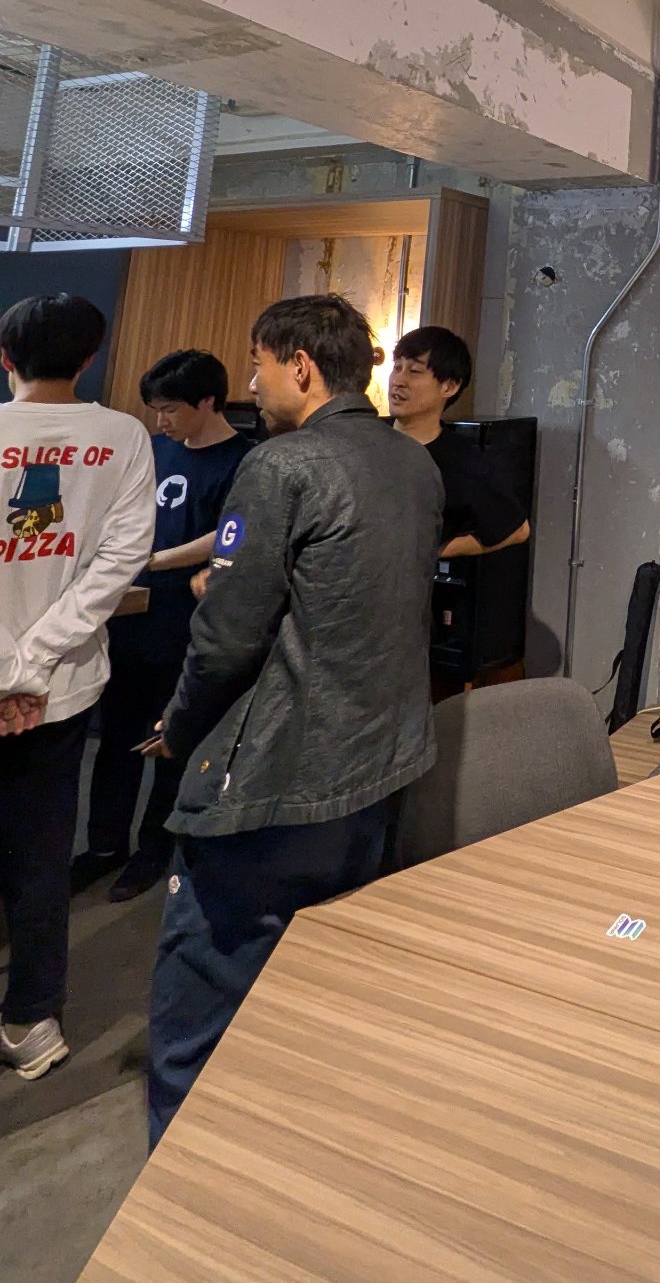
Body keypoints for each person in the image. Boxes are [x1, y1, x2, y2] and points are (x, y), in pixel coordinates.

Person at [144, 293, 443, 1145]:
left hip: (277, 781)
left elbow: (224, 641)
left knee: (199, 1014)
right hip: (379, 767)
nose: (252, 382)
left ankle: (181, 1187)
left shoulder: (281, 465)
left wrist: (178, 728)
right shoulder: (413, 461)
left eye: (259, 363)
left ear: (301, 367)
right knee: (313, 992)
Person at [0, 294, 156, 1081]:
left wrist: (6, 667)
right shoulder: (124, 436)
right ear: (90, 358)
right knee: (40, 856)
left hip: (24, 686)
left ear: (5, 359)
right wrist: (31, 666)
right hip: (60, 691)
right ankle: (32, 1019)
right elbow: (117, 565)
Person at [77, 351, 250, 903]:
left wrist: (154, 560)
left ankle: (154, 849)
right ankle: (104, 846)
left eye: (171, 408)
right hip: (132, 619)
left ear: (208, 402)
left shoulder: (244, 460)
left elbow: (231, 532)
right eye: (156, 409)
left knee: (172, 743)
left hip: (188, 625)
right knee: (117, 740)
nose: (161, 420)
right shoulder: (154, 450)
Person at [387, 324, 529, 558]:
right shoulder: (365, 434)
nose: (398, 380)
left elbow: (518, 530)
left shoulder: (463, 461)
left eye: (414, 371)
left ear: (449, 386)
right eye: (397, 367)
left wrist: (432, 552)